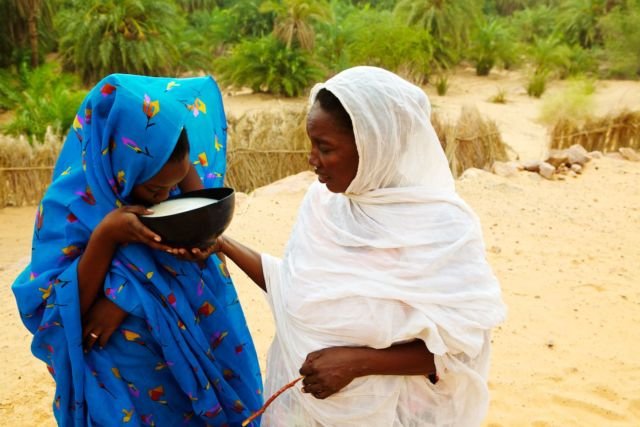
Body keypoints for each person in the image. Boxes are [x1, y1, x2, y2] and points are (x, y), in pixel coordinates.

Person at [215, 66, 506, 426]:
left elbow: (461, 348)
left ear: (374, 146)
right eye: (312, 145)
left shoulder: (442, 227)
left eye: (325, 148)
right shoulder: (323, 206)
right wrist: (223, 244)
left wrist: (356, 362)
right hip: (309, 412)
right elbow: (294, 288)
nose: (311, 158)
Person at [12, 74, 263, 426]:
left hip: (185, 357)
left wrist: (122, 295)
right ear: (122, 164)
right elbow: (53, 308)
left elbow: (198, 241)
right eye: (157, 191)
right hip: (120, 370)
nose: (167, 196)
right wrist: (106, 236)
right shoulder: (68, 207)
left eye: (175, 183)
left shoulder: (171, 172)